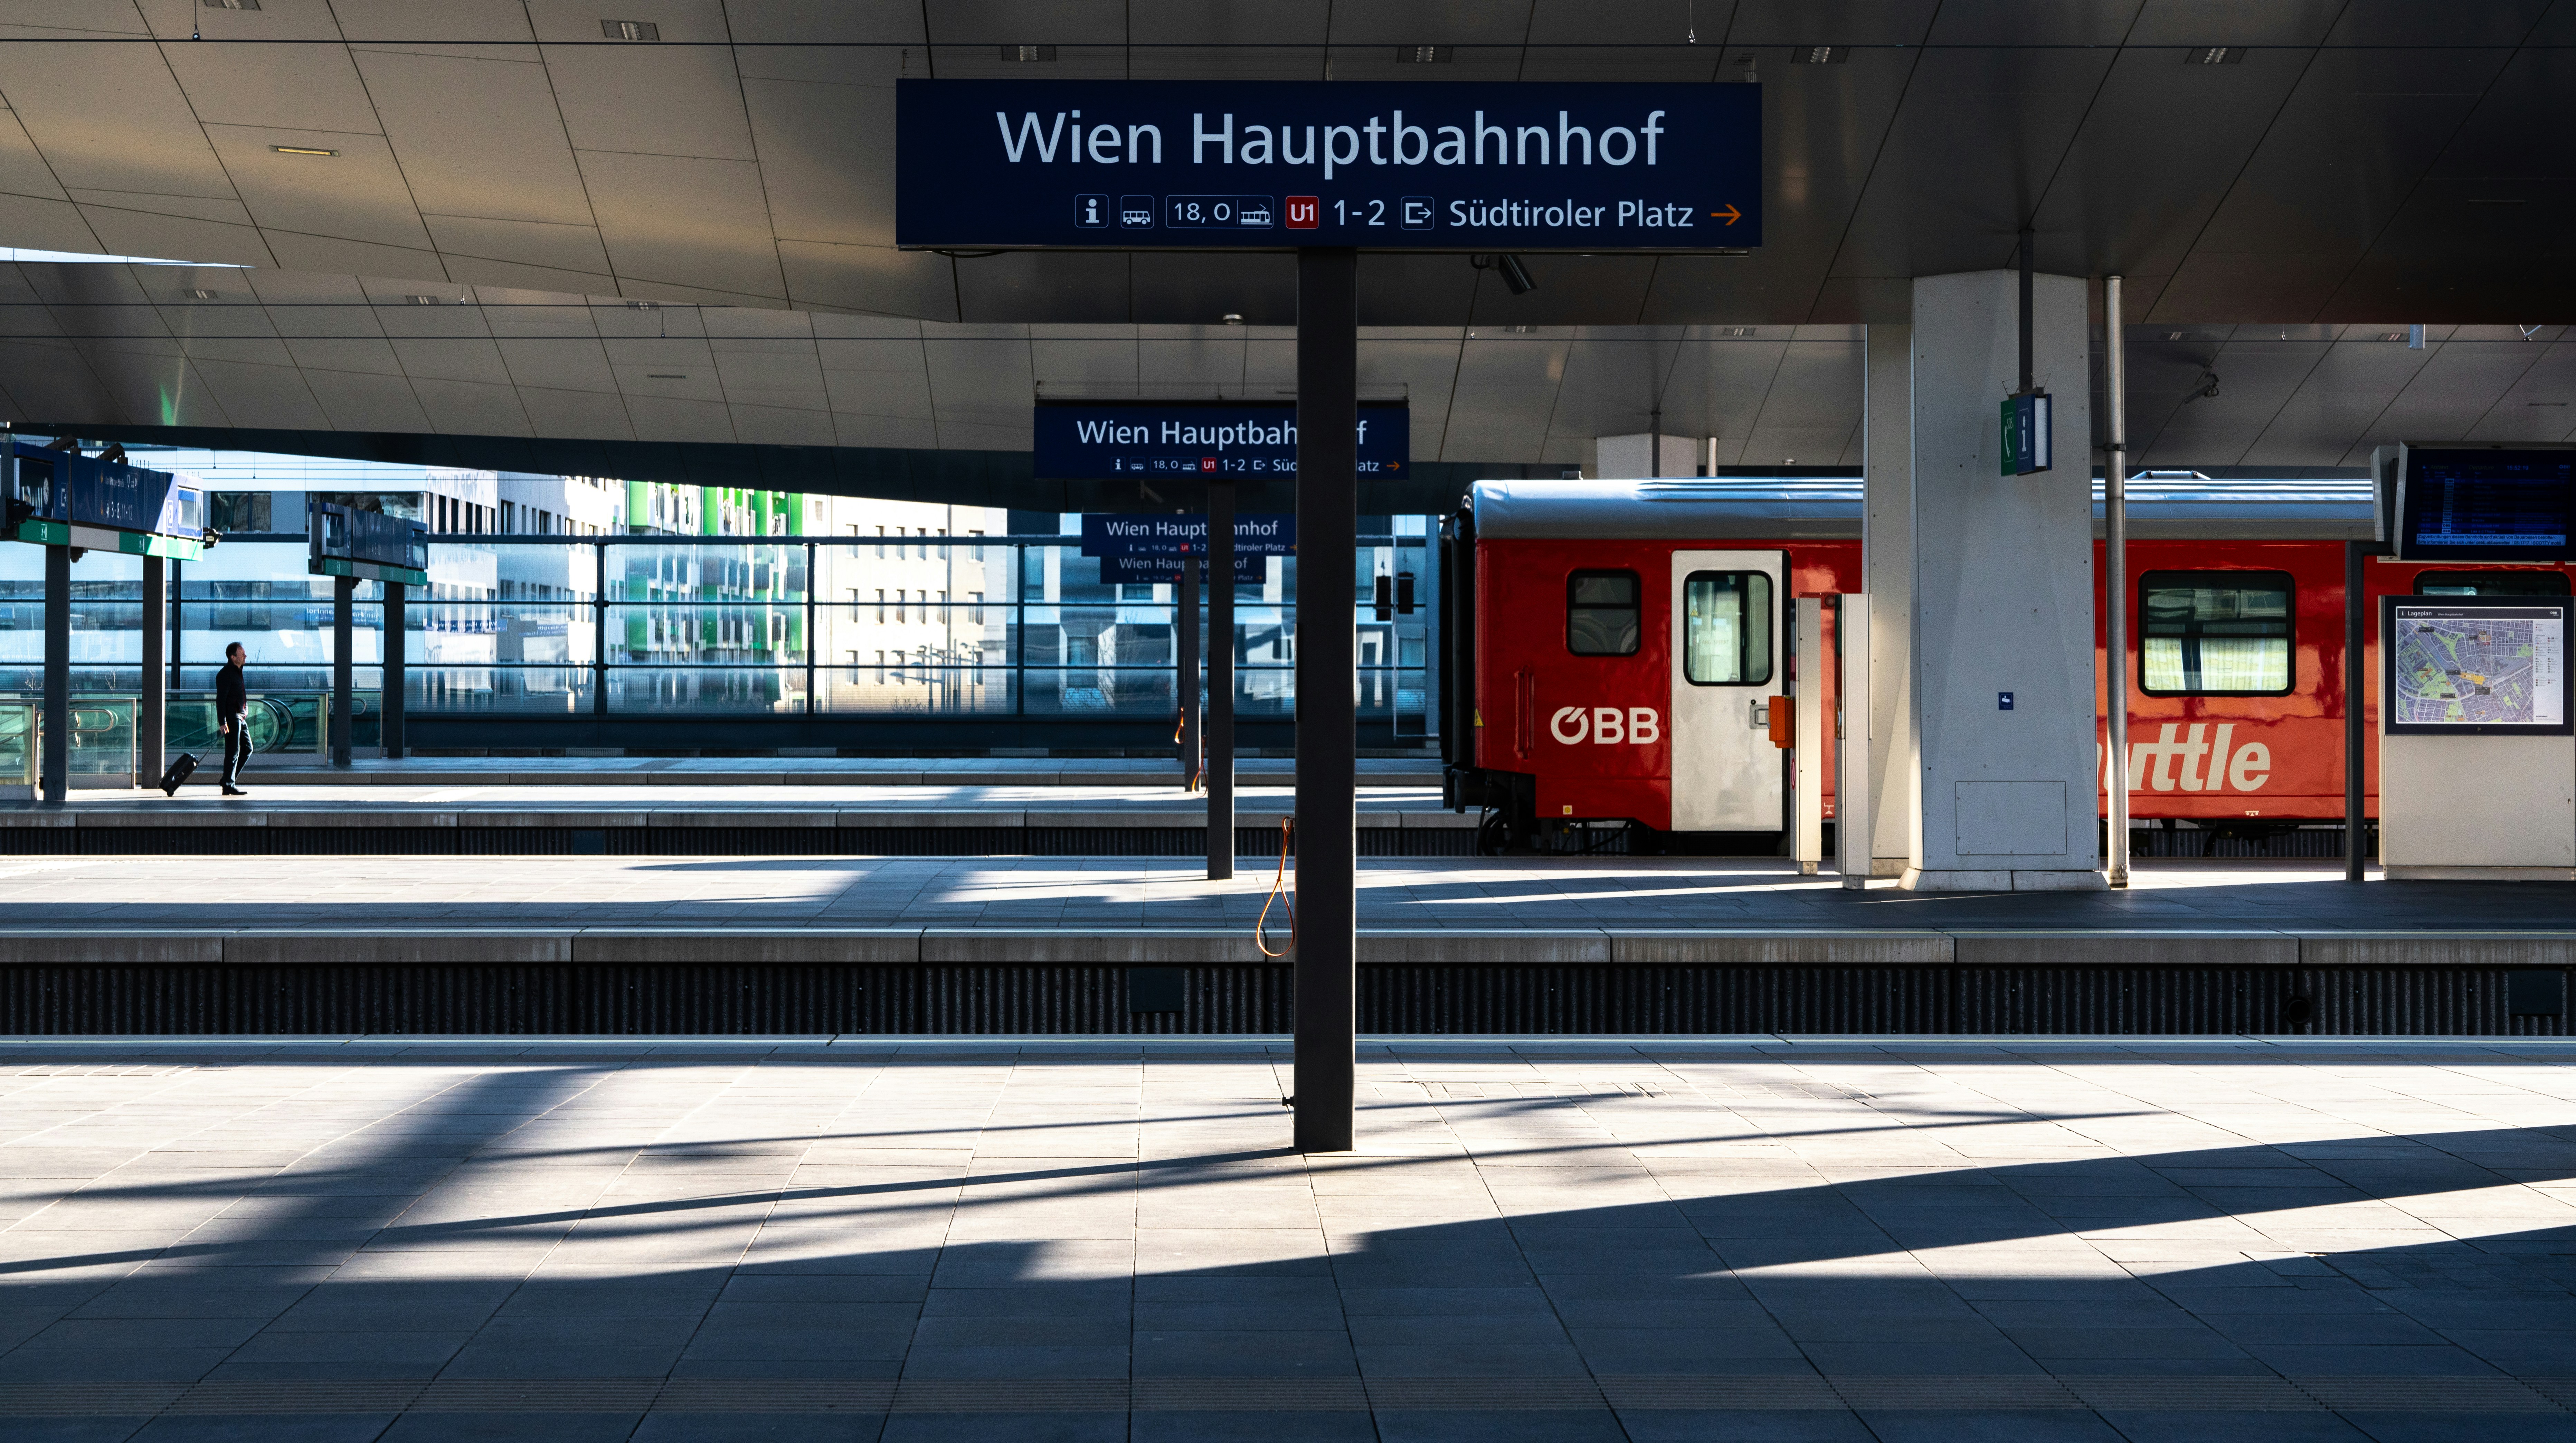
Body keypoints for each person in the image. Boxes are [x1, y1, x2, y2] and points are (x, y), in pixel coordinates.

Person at [216, 642, 251, 795]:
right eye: (242, 654)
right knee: (233, 751)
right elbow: (221, 699)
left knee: (248, 749)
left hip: (240, 717)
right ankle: (228, 785)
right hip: (232, 718)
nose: (245, 656)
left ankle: (227, 780)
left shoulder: (238, 672)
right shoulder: (225, 674)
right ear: (233, 657)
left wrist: (245, 710)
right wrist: (222, 722)